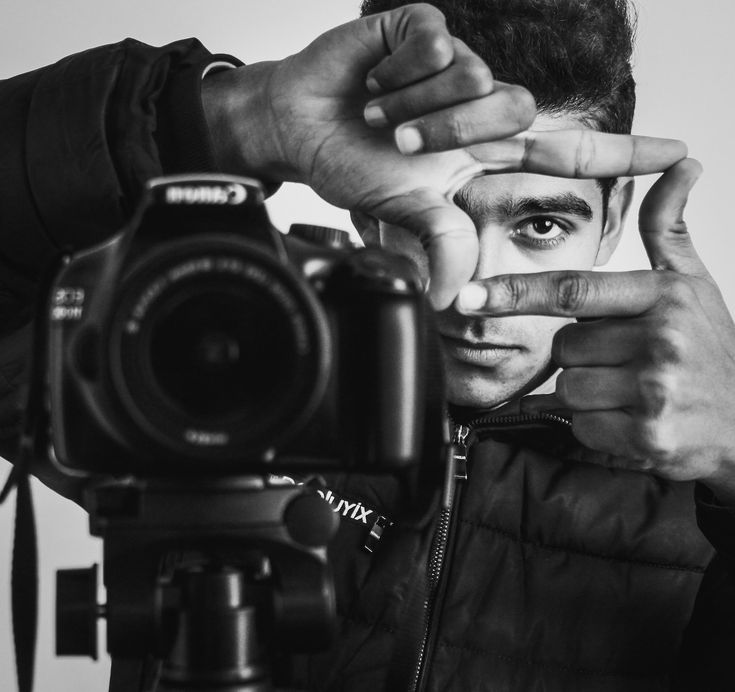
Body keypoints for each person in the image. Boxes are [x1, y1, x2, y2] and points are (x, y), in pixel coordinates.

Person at [0, 1, 733, 691]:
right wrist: (228, 118)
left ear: (610, 223)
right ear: (363, 214)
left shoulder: (704, 463)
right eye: (427, 222)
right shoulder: (222, 356)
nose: (471, 290)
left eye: (540, 225)